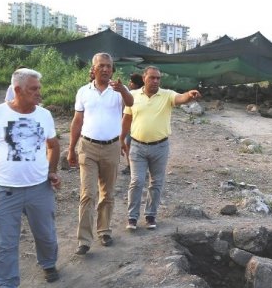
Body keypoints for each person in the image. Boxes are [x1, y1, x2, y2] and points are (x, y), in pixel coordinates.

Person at [0, 68, 62, 288]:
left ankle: (48, 263)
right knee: (4, 241)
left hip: (39, 188)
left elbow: (53, 146)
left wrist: (52, 171)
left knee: (45, 234)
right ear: (17, 90)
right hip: (4, 189)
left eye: (38, 88)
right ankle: (5, 285)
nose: (39, 93)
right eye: (33, 89)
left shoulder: (44, 115)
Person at [67, 53, 134, 255]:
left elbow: (131, 103)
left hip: (112, 147)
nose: (105, 69)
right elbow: (77, 121)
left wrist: (123, 89)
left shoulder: (118, 92)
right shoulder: (83, 92)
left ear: (113, 69)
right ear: (93, 69)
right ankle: (84, 240)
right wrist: (71, 149)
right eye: (102, 66)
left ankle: (104, 230)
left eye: (109, 66)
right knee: (88, 193)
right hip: (88, 147)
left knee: (108, 193)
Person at [121, 66, 200, 230]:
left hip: (160, 147)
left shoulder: (167, 95)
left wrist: (189, 96)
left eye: (158, 78)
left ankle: (150, 215)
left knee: (156, 182)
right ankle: (132, 218)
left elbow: (180, 98)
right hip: (137, 146)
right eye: (152, 77)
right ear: (144, 78)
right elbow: (127, 119)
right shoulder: (133, 96)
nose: (155, 81)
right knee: (137, 181)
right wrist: (121, 139)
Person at [121, 73, 144, 176]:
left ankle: (132, 166)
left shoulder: (135, 95)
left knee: (129, 146)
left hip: (134, 125)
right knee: (129, 145)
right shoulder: (131, 93)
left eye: (131, 82)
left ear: (136, 84)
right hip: (131, 125)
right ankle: (131, 166)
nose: (129, 83)